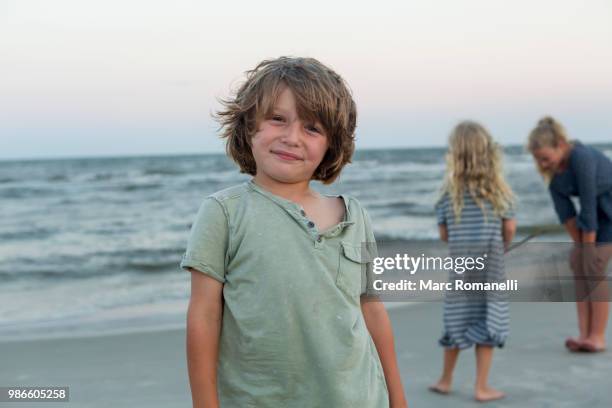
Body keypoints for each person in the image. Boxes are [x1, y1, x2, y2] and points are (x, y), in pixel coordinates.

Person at [180, 56, 408, 407]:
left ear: (332, 144)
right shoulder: (224, 212)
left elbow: (371, 309)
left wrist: (397, 398)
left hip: (358, 396)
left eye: (312, 128)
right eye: (277, 119)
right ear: (248, 125)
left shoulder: (355, 215)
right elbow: (204, 317)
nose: (292, 138)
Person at [430, 121, 516, 402]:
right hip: (490, 272)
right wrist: (503, 245)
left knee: (455, 323)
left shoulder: (447, 195)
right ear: (489, 153)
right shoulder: (500, 194)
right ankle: (481, 387)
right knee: (487, 323)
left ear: (455, 155)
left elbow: (444, 234)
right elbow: (510, 229)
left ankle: (445, 380)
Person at [527, 116, 612, 353]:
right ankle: (584, 334)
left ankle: (597, 336)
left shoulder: (581, 157)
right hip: (595, 218)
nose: (542, 164)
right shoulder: (555, 175)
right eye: (537, 160)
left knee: (593, 268)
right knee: (579, 266)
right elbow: (567, 215)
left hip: (607, 213)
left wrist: (588, 249)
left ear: (561, 145)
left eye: (545, 158)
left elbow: (587, 204)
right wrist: (580, 247)